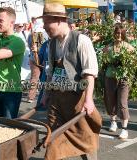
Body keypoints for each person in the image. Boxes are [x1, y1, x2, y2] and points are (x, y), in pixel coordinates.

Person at [39, 2, 102, 160]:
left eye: (47, 22)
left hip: (77, 102)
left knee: (85, 141)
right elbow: (51, 72)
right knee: (53, 141)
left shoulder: (82, 40)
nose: (44, 26)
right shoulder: (51, 44)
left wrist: (88, 101)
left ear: (59, 20)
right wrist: (46, 94)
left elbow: (90, 73)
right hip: (57, 101)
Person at [103, 24, 134, 139]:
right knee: (110, 100)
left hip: (124, 78)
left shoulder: (128, 47)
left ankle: (124, 129)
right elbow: (102, 55)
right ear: (114, 34)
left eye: (121, 33)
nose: (118, 35)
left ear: (124, 34)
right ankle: (113, 122)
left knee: (122, 102)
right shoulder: (109, 47)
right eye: (117, 33)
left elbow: (135, 57)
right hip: (110, 76)